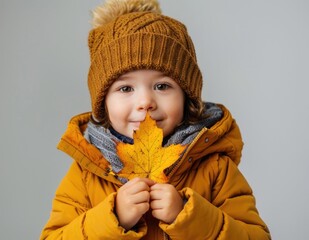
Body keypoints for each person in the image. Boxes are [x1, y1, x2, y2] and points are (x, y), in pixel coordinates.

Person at [40, 0, 271, 239]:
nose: (145, 101)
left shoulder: (215, 167)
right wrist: (112, 217)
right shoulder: (87, 172)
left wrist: (189, 216)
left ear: (186, 97)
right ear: (103, 103)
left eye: (162, 86)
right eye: (126, 88)